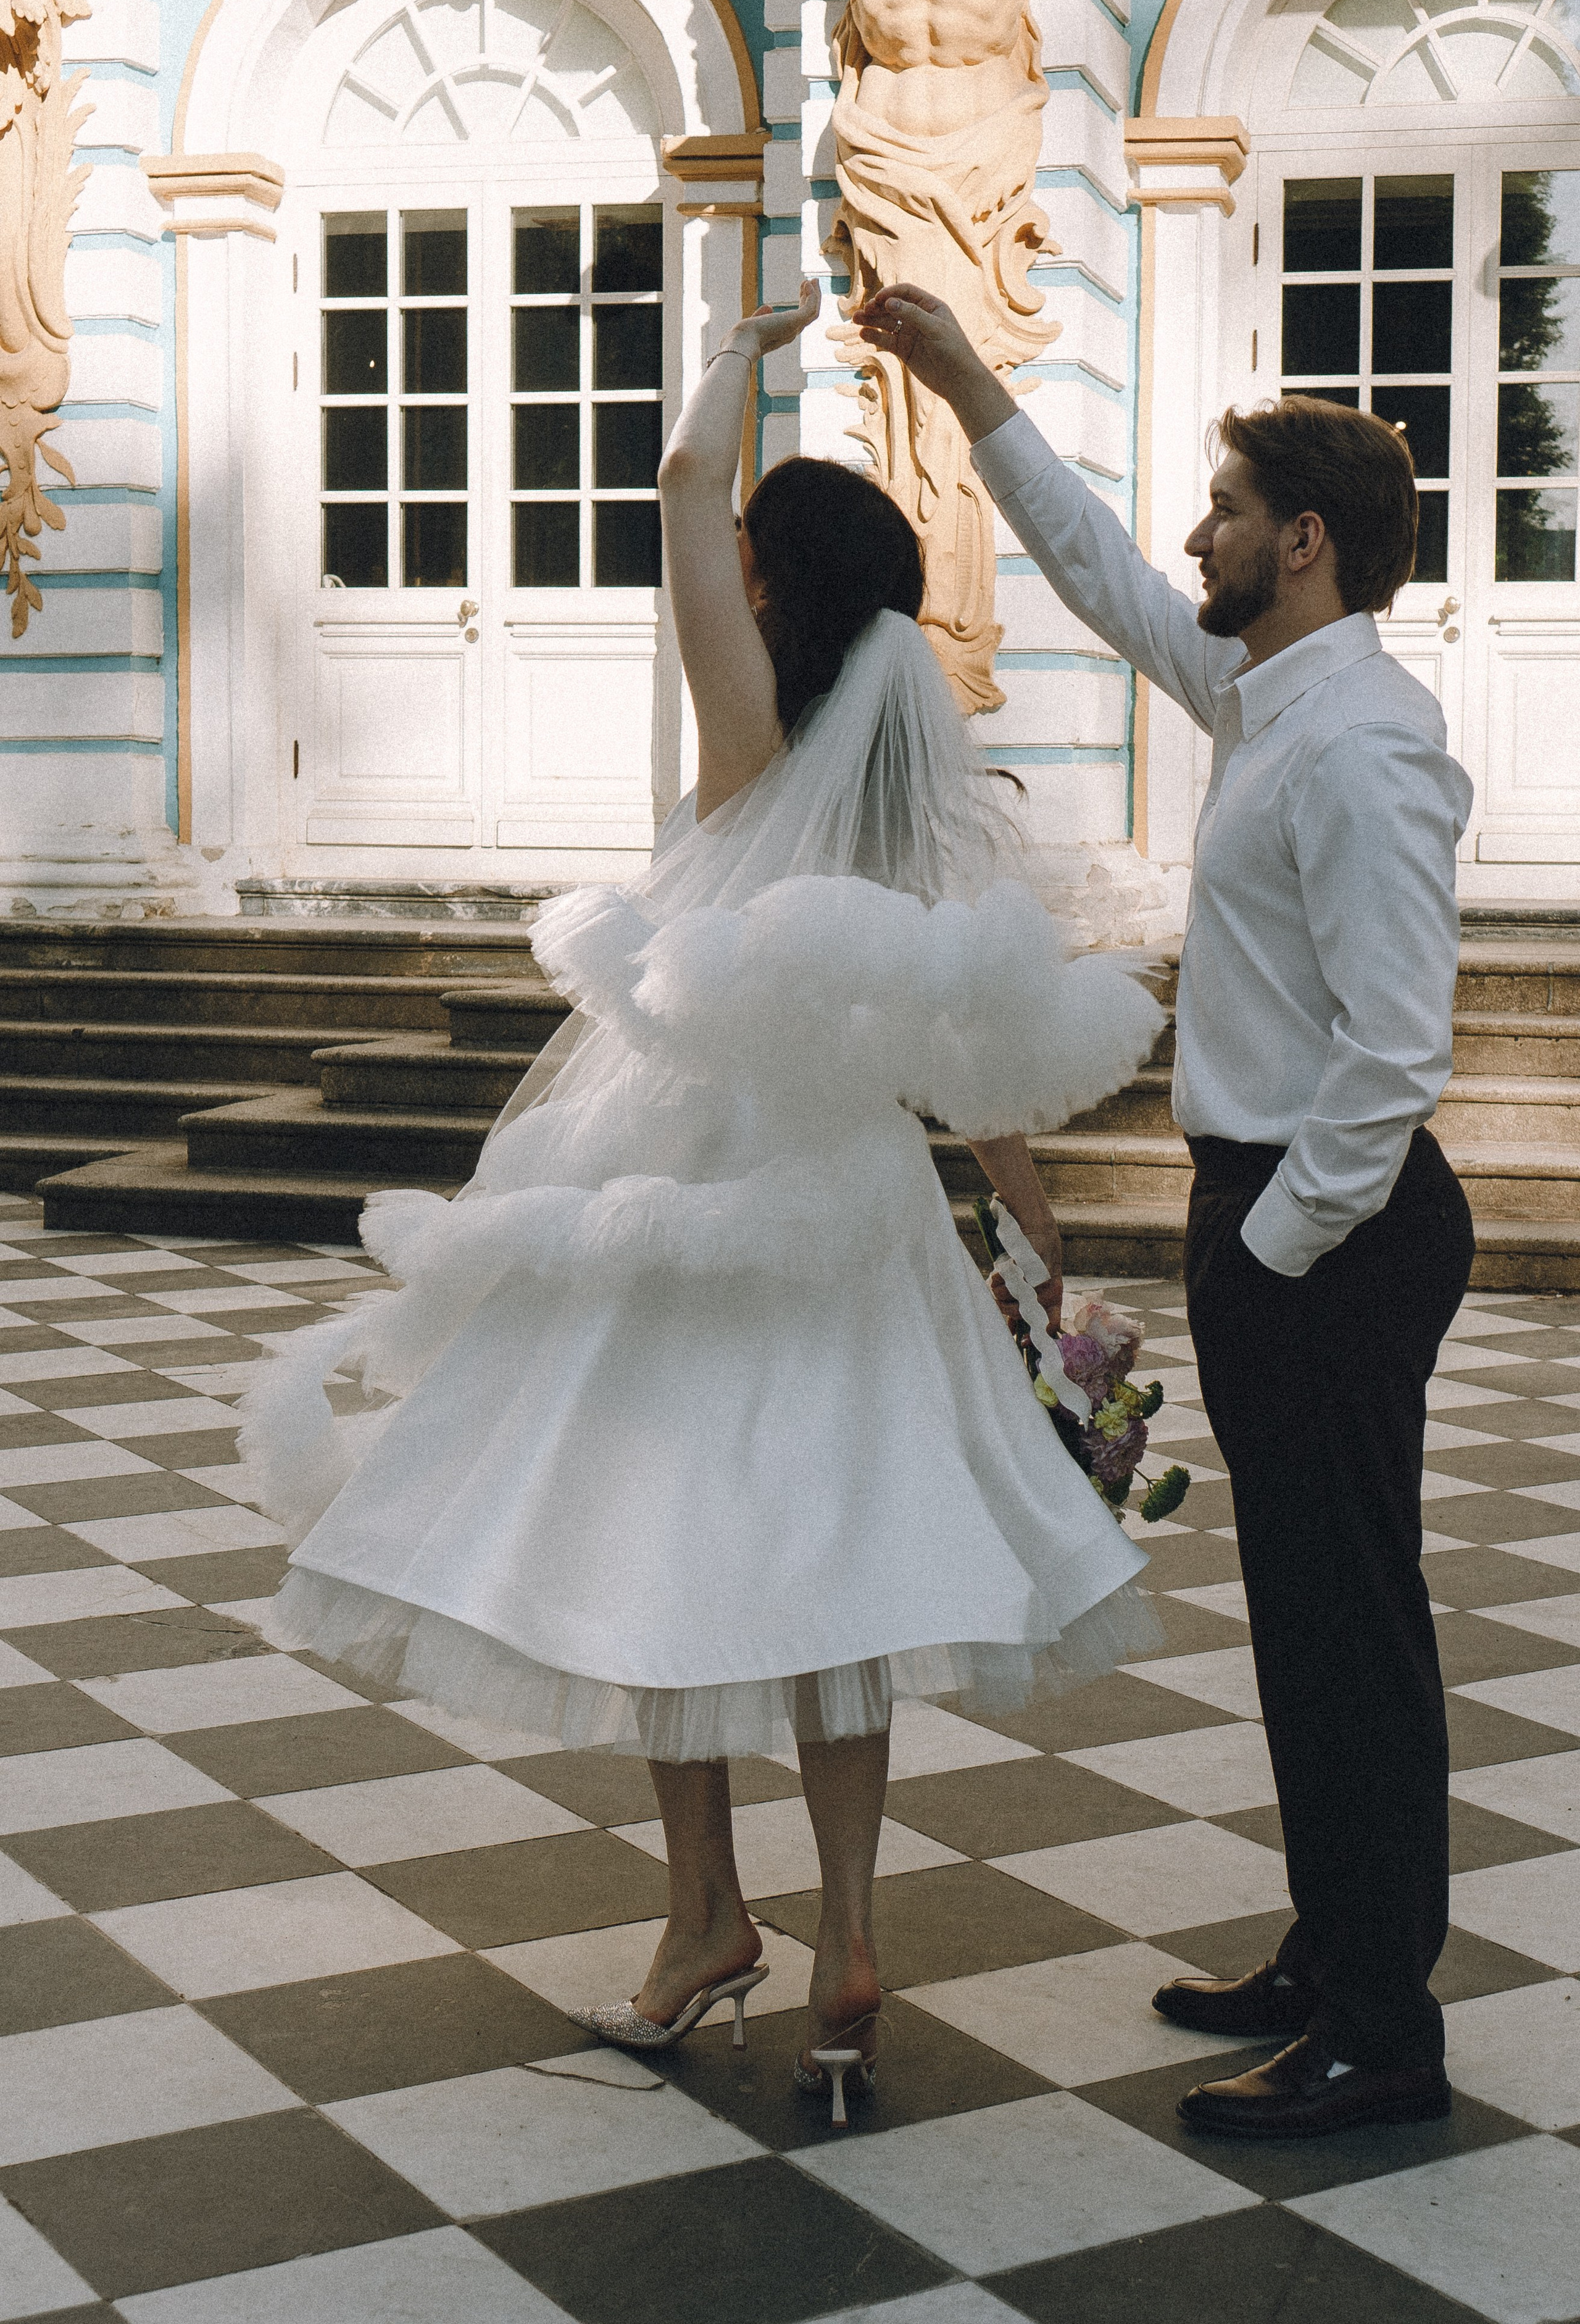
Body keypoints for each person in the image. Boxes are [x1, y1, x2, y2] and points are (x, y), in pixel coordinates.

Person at [240, 280, 1166, 2121]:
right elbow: (955, 1029)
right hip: (857, 1207)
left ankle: (701, 1924)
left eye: (743, 556)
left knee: (661, 1548)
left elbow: (676, 474)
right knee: (837, 1576)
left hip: (692, 1180)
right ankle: (841, 1940)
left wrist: (752, 342)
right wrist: (1025, 1205)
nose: (721, 566)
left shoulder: (746, 734)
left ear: (767, 587)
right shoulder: (918, 771)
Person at [854, 280, 1476, 2141]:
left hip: (1331, 1223)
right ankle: (1334, 1950)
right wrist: (970, 390)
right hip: (1285, 1209)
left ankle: (1384, 2028)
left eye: (1223, 510)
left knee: (1352, 1621)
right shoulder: (1275, 689)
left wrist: (1277, 1254)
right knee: (1310, 1615)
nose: (1195, 536)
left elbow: (1395, 1050)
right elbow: (1109, 575)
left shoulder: (1362, 743)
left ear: (1301, 542)